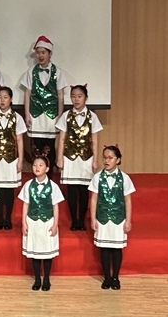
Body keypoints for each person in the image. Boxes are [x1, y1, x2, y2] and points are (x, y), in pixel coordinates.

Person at [56, 84, 103, 230]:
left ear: (86, 98)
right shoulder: (66, 115)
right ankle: (74, 221)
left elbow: (95, 140)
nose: (76, 99)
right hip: (69, 158)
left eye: (79, 96)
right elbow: (62, 139)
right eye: (73, 96)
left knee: (83, 191)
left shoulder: (92, 117)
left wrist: (95, 160)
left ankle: (81, 220)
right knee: (71, 190)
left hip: (86, 158)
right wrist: (59, 158)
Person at [89, 145, 135, 290]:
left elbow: (128, 200)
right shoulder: (97, 177)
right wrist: (93, 218)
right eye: (105, 158)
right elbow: (94, 199)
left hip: (118, 218)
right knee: (104, 248)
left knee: (116, 249)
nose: (106, 161)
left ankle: (115, 277)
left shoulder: (125, 178)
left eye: (110, 158)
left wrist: (128, 220)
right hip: (102, 217)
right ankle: (107, 278)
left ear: (118, 160)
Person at [20, 35, 68, 167]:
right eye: (38, 52)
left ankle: (49, 174)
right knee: (37, 147)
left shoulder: (58, 72)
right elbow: (27, 93)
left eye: (43, 52)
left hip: (51, 115)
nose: (40, 56)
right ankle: (38, 174)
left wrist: (60, 116)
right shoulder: (31, 72)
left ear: (50, 53)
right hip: (36, 115)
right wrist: (27, 114)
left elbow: (60, 96)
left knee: (50, 147)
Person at [0, 86, 26, 230]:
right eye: (0, 97)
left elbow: (19, 139)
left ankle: (8, 219)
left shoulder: (17, 117)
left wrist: (20, 160)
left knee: (9, 190)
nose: (2, 100)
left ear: (11, 99)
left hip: (11, 158)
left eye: (5, 97)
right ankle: (0, 219)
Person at [19, 155, 64, 291]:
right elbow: (25, 204)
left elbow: (56, 206)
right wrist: (24, 223)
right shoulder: (28, 185)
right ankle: (37, 279)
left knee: (47, 252)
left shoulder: (53, 186)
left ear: (47, 169)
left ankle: (47, 279)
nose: (37, 167)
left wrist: (55, 225)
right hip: (32, 222)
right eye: (35, 165)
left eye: (40, 165)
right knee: (35, 252)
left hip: (47, 222)